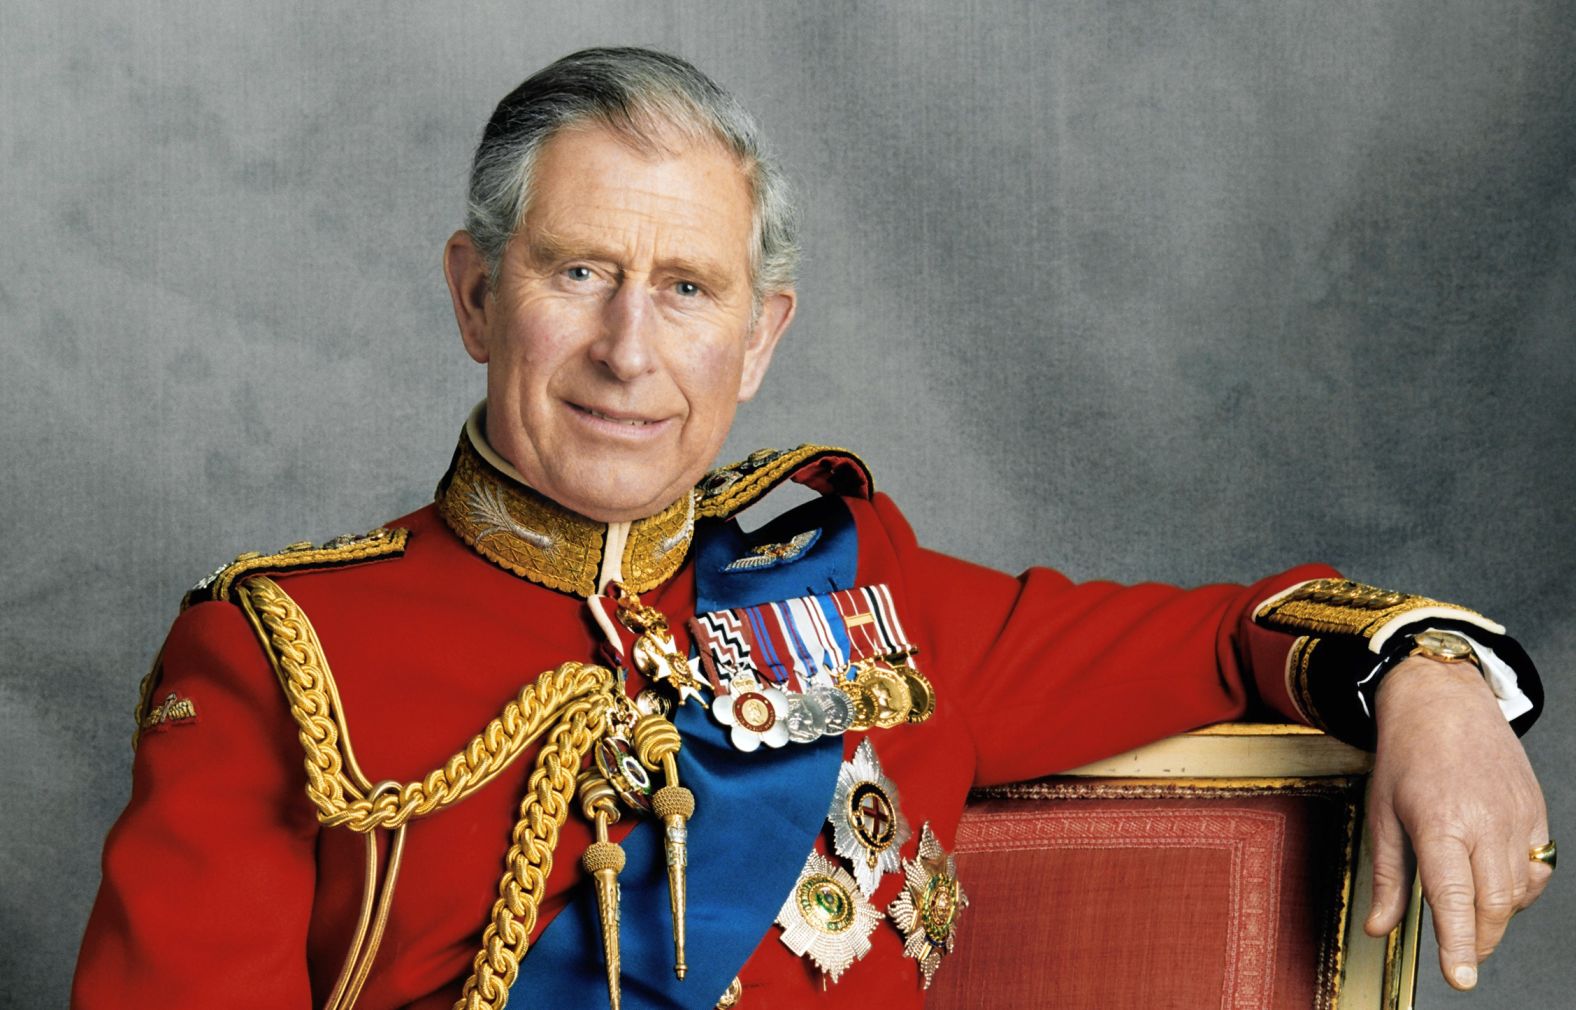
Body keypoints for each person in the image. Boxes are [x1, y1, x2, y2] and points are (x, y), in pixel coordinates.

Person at [72, 47, 1553, 1010]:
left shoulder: (875, 600)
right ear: (474, 293)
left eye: (689, 288)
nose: (629, 351)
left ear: (762, 336)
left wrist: (1426, 676)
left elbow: (1238, 635)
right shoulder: (285, 649)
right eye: (579, 271)